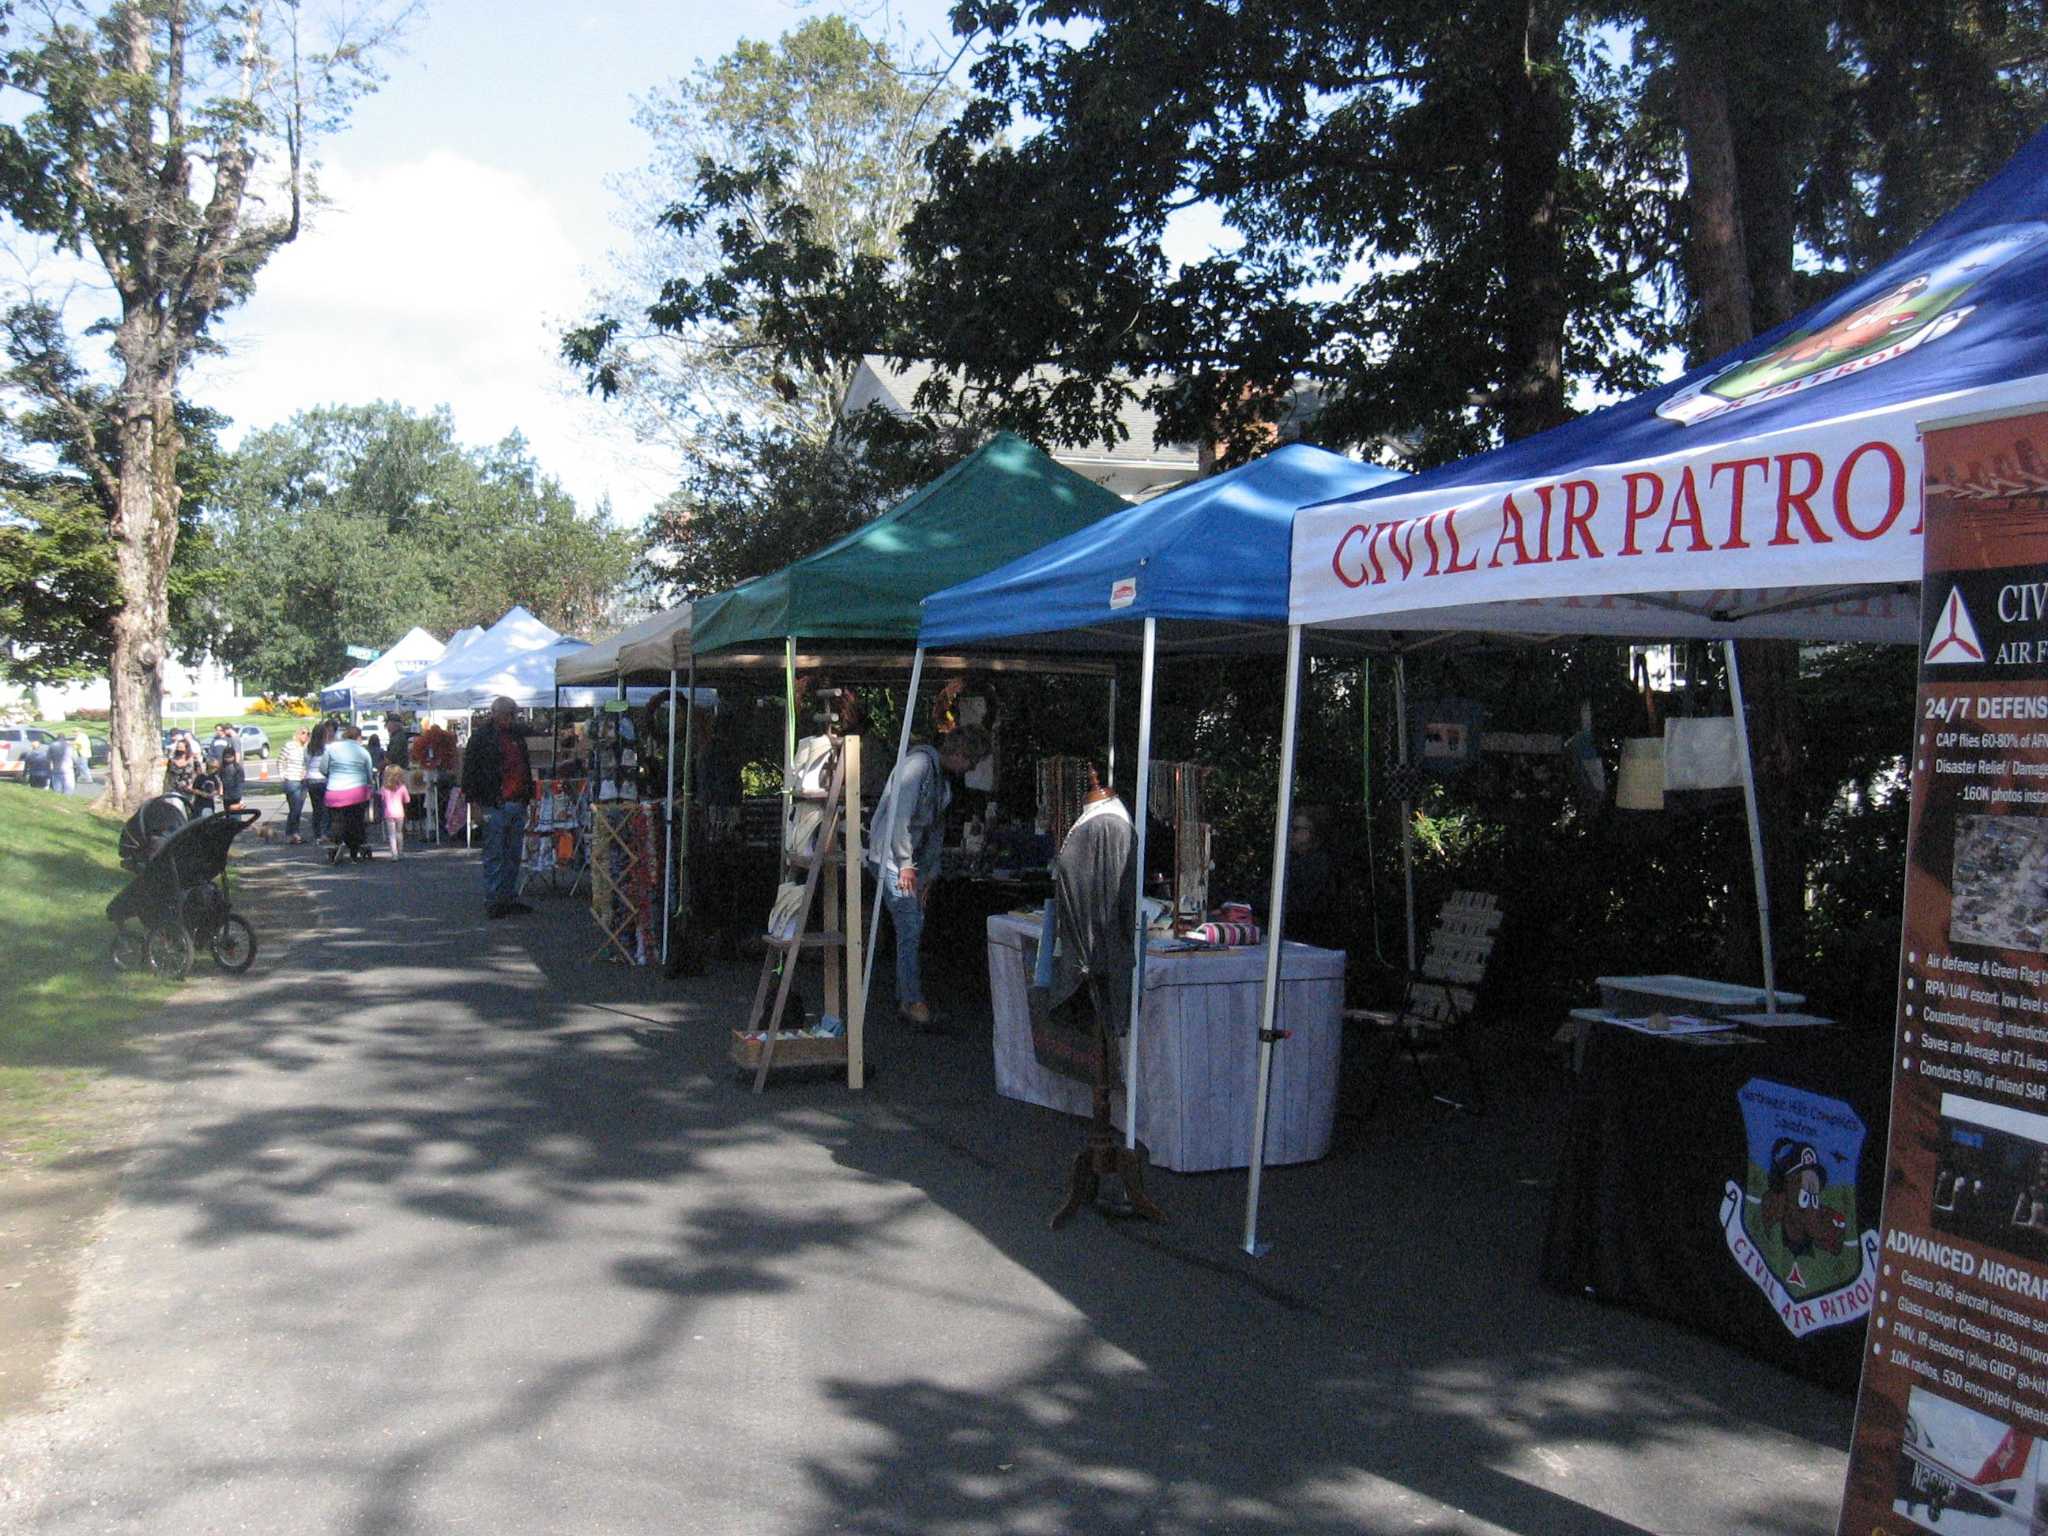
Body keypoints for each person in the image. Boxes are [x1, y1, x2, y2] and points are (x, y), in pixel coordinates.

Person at [870, 724, 989, 1030]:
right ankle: (911, 999)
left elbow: (934, 833)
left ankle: (906, 995)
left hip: (909, 858)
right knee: (910, 923)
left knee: (913, 924)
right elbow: (900, 816)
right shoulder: (919, 765)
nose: (971, 768)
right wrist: (907, 864)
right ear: (960, 754)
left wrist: (929, 874)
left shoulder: (941, 782)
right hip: (891, 855)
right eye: (971, 761)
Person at [460, 695, 535, 918]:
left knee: (512, 854)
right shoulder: (481, 738)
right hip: (494, 803)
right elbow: (470, 772)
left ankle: (508, 897)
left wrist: (527, 796)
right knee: (494, 853)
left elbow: (524, 766)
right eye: (506, 715)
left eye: (512, 716)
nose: (510, 720)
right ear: (495, 714)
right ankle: (494, 899)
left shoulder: (516, 736)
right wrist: (473, 804)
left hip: (516, 801)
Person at [317, 724, 375, 862]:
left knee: (336, 820)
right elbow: (368, 774)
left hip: (335, 791)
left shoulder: (331, 749)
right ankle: (354, 849)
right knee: (356, 821)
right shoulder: (363, 752)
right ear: (359, 737)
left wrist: (332, 775)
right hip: (357, 792)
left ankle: (337, 843)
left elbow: (323, 769)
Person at [279, 726, 309, 843]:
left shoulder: (307, 748)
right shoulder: (289, 746)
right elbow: (280, 761)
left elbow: (308, 763)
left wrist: (306, 772)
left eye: (308, 733)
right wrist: (283, 776)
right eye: (303, 733)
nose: (305, 735)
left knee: (298, 809)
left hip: (303, 781)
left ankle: (295, 833)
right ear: (297, 734)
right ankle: (290, 833)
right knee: (294, 809)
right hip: (291, 780)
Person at [304, 720, 332, 844]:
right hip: (324, 779)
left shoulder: (309, 748)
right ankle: (325, 833)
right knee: (326, 808)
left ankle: (317, 834)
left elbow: (306, 763)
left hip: (311, 779)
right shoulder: (327, 748)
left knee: (316, 809)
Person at [378, 764, 411, 860]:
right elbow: (407, 800)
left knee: (391, 834)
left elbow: (381, 798)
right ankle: (401, 852)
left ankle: (394, 854)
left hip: (388, 812)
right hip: (400, 812)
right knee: (399, 832)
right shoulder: (402, 787)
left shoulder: (384, 788)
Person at [216, 741, 246, 812]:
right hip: (227, 796)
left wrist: (237, 795)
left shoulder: (237, 768)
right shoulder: (222, 768)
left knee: (235, 814)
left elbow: (240, 782)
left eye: (229, 757)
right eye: (226, 757)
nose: (227, 759)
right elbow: (220, 780)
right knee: (228, 813)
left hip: (235, 795)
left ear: (233, 757)